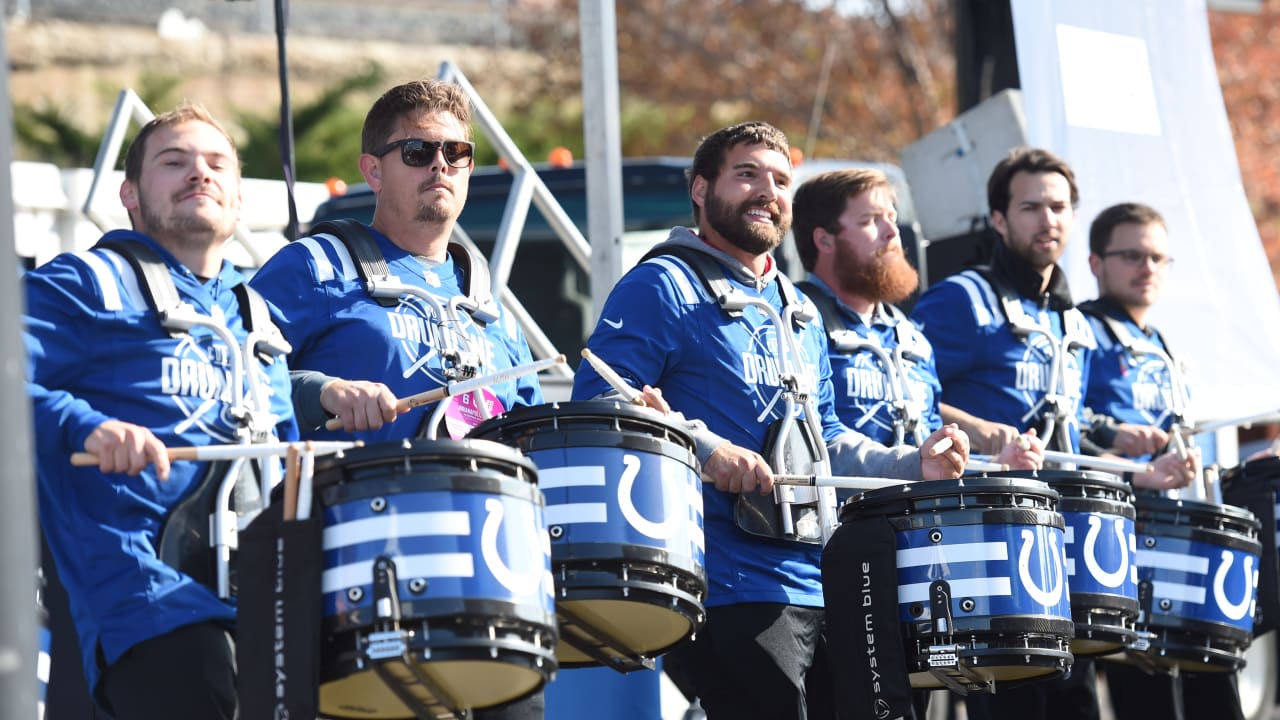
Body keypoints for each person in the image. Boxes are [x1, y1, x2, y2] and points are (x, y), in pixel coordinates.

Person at [571, 121, 971, 720]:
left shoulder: (801, 310)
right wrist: (705, 450)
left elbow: (827, 439)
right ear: (702, 190)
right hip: (728, 582)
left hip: (826, 578)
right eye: (747, 174)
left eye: (780, 179)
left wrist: (914, 464)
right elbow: (599, 402)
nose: (767, 190)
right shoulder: (662, 284)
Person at [250, 78, 545, 718]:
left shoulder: (491, 306)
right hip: (359, 582)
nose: (441, 164)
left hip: (494, 585)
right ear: (372, 171)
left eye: (456, 153)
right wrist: (319, 390)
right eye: (416, 151)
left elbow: (530, 440)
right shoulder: (315, 264)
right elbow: (238, 373)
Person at [24, 104, 297, 719]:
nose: (199, 174)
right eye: (174, 162)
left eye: (216, 163)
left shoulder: (259, 322)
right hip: (150, 602)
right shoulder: (85, 283)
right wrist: (85, 423)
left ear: (238, 199)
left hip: (269, 609)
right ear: (130, 194)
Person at [909, 148, 1197, 720]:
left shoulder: (1069, 319)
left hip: (1060, 542)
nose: (1049, 220)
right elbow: (906, 396)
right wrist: (979, 432)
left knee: (1076, 703)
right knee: (1012, 703)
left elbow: (1071, 426)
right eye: (1031, 207)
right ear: (998, 219)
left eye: (1059, 207)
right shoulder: (961, 298)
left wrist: (1135, 460)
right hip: (985, 538)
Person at [790, 167, 1043, 719]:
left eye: (891, 217)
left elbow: (928, 452)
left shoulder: (909, 334)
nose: (891, 232)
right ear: (824, 239)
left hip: (919, 564)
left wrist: (988, 465)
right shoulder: (796, 320)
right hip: (833, 561)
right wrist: (914, 463)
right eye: (870, 220)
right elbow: (816, 441)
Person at [1078, 202, 1235, 720]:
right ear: (1097, 262)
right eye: (1131, 256)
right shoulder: (1081, 331)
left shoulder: (1161, 344)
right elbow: (1063, 419)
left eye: (1157, 258)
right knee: (1141, 689)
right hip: (1112, 533)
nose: (1147, 268)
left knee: (1206, 675)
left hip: (1170, 530)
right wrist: (1114, 439)